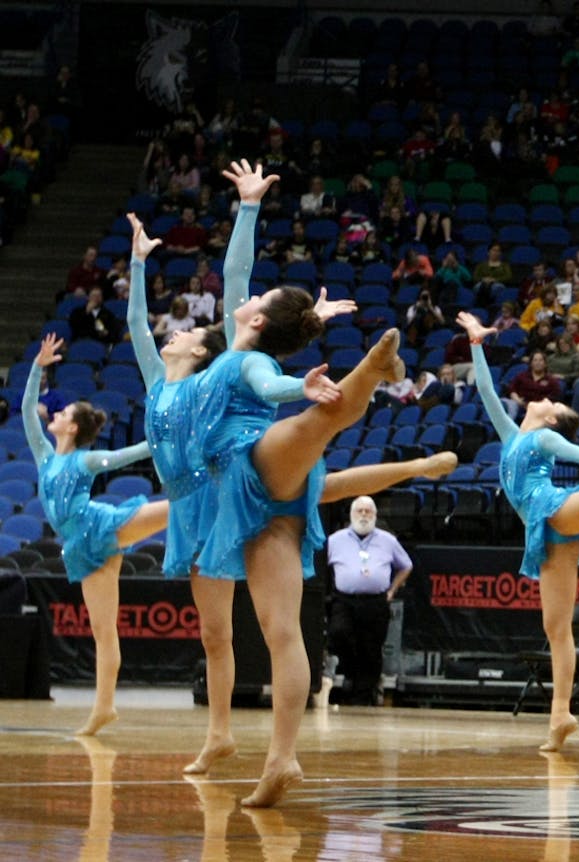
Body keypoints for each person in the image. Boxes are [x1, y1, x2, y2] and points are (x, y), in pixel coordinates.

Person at [126, 185, 458, 783]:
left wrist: (250, 210)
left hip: (252, 462)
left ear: (252, 318)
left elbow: (254, 330)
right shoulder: (211, 360)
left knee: (316, 420)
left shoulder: (243, 356)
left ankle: (372, 370)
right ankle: (272, 755)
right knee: (271, 630)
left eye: (256, 299)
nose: (245, 294)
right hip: (223, 495)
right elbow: (237, 281)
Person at [459, 310, 579, 751]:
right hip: (547, 533)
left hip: (555, 508)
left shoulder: (544, 438)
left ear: (551, 418)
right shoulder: (511, 434)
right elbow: (485, 391)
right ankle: (560, 715)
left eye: (552, 402)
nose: (543, 397)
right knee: (556, 627)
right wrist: (477, 344)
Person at [23, 335, 167, 736]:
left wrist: (159, 440)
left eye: (63, 411)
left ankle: (221, 495)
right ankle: (103, 708)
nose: (54, 413)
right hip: (83, 548)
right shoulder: (45, 456)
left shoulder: (86, 459)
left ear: (72, 425)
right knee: (103, 630)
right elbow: (25, 412)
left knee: (176, 507)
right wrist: (38, 366)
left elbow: (128, 455)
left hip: (100, 525)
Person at [326, 496, 412, 706]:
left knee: (371, 648)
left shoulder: (387, 540)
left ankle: (362, 696)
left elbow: (406, 565)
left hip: (375, 601)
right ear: (351, 515)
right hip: (344, 600)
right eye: (360, 511)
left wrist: (392, 589)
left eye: (368, 511)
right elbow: (321, 565)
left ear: (375, 515)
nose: (364, 515)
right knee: (339, 634)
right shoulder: (335, 540)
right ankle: (349, 674)